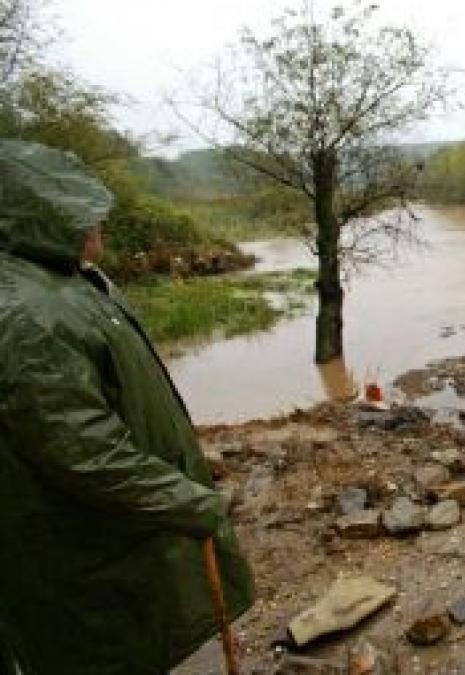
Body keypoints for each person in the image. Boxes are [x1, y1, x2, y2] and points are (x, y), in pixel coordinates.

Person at [0, 140, 254, 675]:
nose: (99, 224)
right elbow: (82, 452)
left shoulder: (69, 281)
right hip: (88, 550)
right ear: (44, 217)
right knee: (110, 648)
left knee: (145, 636)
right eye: (84, 213)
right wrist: (190, 500)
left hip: (125, 532)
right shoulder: (27, 313)